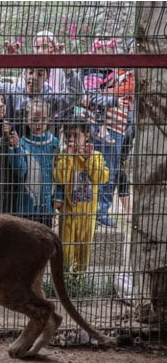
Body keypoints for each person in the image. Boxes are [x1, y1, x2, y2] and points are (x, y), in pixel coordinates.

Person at [81, 37, 134, 228]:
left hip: (119, 127)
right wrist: (112, 98)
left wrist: (109, 95)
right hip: (103, 125)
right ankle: (96, 211)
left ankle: (101, 211)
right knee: (98, 169)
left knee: (110, 172)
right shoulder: (98, 69)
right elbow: (92, 97)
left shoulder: (124, 72)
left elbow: (131, 90)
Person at [53, 117, 109, 273]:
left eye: (76, 136)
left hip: (88, 215)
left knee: (84, 251)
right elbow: (61, 178)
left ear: (87, 136)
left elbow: (101, 178)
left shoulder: (95, 155)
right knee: (66, 250)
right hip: (69, 213)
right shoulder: (65, 155)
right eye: (68, 136)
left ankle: (79, 281)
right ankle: (65, 280)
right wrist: (69, 157)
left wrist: (89, 159)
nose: (71, 140)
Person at [8, 98, 60, 227]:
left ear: (48, 120)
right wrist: (14, 147)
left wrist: (59, 196)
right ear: (27, 119)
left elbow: (60, 173)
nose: (39, 124)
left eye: (43, 119)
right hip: (26, 206)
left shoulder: (54, 143)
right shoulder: (23, 143)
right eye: (34, 120)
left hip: (47, 206)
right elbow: (20, 171)